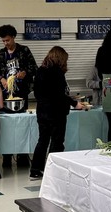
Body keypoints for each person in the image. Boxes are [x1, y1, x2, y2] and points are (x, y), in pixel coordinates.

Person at [30, 46, 89, 179]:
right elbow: (59, 95)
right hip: (56, 113)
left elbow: (37, 92)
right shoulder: (57, 72)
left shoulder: (40, 70)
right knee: (57, 141)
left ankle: (35, 169)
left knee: (43, 140)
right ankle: (53, 170)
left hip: (42, 111)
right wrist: (74, 103)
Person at [0, 24, 37, 168]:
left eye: (7, 40)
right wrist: (2, 79)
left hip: (21, 93)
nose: (5, 43)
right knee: (7, 125)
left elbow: (34, 68)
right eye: (3, 41)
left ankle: (22, 155)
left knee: (21, 124)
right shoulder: (0, 54)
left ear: (13, 37)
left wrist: (24, 72)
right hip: (6, 96)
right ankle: (6, 156)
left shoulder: (24, 51)